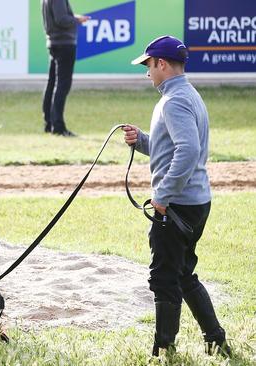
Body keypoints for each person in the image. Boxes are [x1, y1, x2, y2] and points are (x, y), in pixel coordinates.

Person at [123, 35, 230, 357]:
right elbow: (173, 146)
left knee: (164, 277)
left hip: (178, 204)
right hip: (195, 201)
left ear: (162, 64)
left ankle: (163, 350)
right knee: (183, 274)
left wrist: (163, 195)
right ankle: (215, 340)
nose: (146, 73)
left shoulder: (175, 101)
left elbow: (188, 150)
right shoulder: (186, 94)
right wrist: (141, 140)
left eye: (148, 66)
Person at [41, 0, 89, 137]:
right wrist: (76, 19)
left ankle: (49, 123)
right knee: (62, 85)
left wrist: (73, 18)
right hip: (64, 43)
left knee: (52, 83)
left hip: (54, 42)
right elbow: (61, 20)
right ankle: (58, 126)